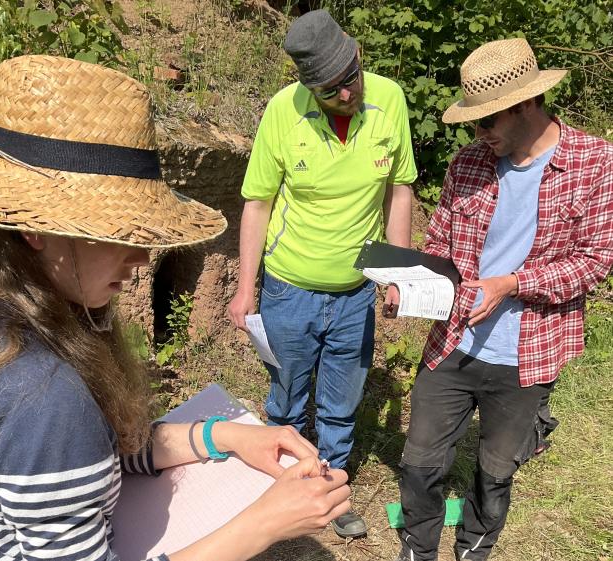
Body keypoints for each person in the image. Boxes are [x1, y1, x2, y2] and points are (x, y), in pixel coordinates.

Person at [0, 55, 353, 561]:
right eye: (116, 233)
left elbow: (97, 449)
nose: (144, 257)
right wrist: (264, 523)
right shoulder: (44, 395)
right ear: (35, 229)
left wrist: (224, 436)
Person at [395, 38, 613, 561]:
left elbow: (595, 262)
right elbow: (440, 247)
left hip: (528, 354)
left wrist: (510, 283)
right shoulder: (468, 165)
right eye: (473, 123)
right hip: (453, 344)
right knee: (419, 462)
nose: (478, 133)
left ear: (526, 104)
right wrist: (411, 289)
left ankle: (473, 550)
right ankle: (416, 552)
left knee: (495, 473)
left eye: (487, 121)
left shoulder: (595, 162)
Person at [227, 9, 417, 538]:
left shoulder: (390, 99)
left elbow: (399, 189)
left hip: (356, 291)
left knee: (342, 400)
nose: (347, 95)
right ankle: (279, 489)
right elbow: (258, 203)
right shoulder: (282, 112)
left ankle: (331, 488)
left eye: (350, 79)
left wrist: (397, 273)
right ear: (308, 86)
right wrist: (247, 289)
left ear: (358, 56)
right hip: (289, 289)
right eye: (332, 90)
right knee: (287, 394)